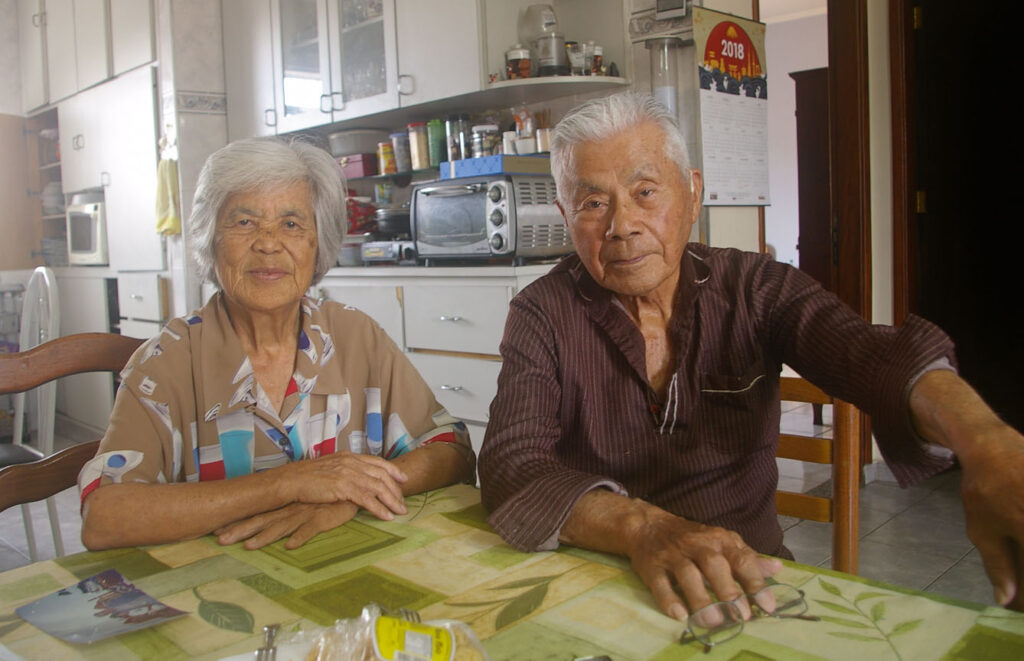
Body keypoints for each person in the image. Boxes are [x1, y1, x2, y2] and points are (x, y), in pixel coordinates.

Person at [478, 91, 1024, 621]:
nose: (622, 225)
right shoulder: (542, 311)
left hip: (748, 580)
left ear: (691, 193)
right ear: (564, 215)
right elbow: (511, 465)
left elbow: (869, 353)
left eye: (646, 191)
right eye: (594, 203)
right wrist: (643, 528)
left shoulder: (755, 287)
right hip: (598, 582)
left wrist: (985, 440)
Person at [80, 137, 474, 551]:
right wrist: (290, 483)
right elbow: (105, 518)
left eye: (291, 224)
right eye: (245, 222)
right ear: (210, 240)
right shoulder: (168, 361)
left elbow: (452, 450)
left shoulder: (355, 335)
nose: (269, 243)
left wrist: (350, 494)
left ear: (317, 243)